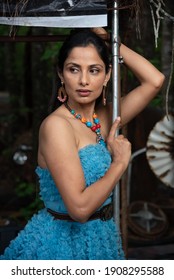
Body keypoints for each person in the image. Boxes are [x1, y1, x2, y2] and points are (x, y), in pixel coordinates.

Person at [0, 28, 165, 260]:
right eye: (73, 69)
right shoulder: (57, 126)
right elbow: (79, 210)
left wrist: (110, 41)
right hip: (63, 244)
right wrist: (118, 164)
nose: (84, 80)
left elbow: (155, 81)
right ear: (61, 73)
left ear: (107, 75)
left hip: (101, 235)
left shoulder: (102, 118)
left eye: (94, 70)